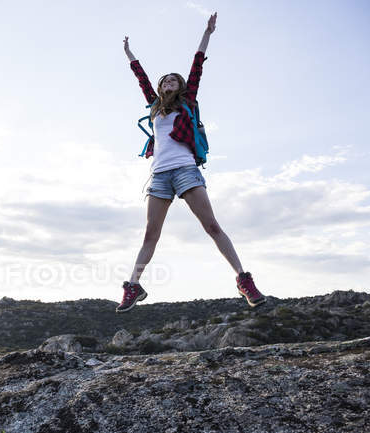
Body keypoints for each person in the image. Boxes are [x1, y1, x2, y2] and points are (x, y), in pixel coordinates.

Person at [117, 12, 266, 313]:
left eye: (173, 80)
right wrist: (130, 54)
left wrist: (207, 33)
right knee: (150, 234)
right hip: (159, 176)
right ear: (160, 89)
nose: (168, 82)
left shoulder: (189, 103)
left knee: (211, 225)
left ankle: (243, 279)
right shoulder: (155, 107)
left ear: (181, 86)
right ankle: (133, 286)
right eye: (165, 81)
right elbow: (142, 79)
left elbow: (197, 65)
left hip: (186, 170)